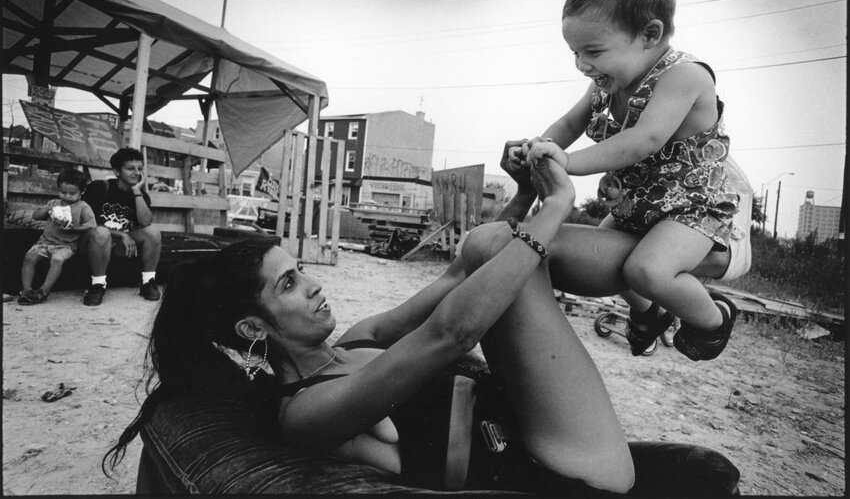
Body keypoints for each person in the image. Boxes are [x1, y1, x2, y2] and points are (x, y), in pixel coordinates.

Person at [103, 159, 741, 495]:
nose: (316, 283)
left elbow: (450, 284)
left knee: (489, 240)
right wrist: (555, 210)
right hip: (568, 471)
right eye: (289, 283)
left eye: (302, 270)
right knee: (499, 245)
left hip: (542, 424)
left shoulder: (350, 342)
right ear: (252, 328)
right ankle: (679, 291)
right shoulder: (306, 411)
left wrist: (521, 199)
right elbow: (449, 333)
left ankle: (659, 289)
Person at [508, 0, 740, 361]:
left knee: (646, 270)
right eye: (575, 53)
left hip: (691, 208)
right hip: (640, 201)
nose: (582, 65)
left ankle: (713, 318)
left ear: (650, 34)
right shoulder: (607, 82)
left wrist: (567, 162)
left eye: (592, 51)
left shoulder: (685, 75)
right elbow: (567, 125)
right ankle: (649, 314)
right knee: (601, 263)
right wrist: (538, 146)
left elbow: (644, 140)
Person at [80, 147, 162, 306]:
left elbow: (146, 223)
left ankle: (147, 282)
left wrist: (137, 192)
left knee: (153, 232)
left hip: (118, 248)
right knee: (101, 232)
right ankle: (98, 285)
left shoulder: (140, 195)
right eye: (130, 168)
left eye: (139, 169)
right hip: (93, 243)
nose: (136, 173)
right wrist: (122, 235)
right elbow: (87, 224)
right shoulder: (99, 187)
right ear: (117, 171)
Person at [18, 168, 96, 305]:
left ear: (82, 192)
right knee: (29, 257)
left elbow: (91, 225)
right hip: (44, 242)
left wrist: (75, 227)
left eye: (72, 193)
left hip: (66, 245)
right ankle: (27, 291)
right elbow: (36, 216)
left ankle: (43, 291)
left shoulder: (83, 207)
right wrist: (47, 209)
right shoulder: (54, 203)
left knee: (57, 259)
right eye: (63, 192)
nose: (66, 196)